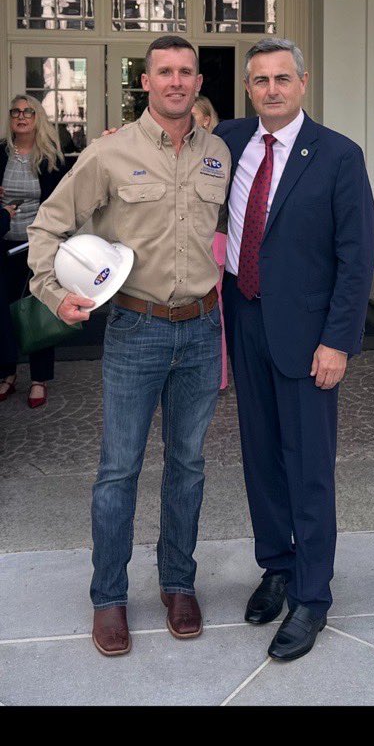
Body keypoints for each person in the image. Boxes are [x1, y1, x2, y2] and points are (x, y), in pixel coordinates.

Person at [27, 35, 231, 656]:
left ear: (199, 82)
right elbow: (48, 227)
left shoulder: (219, 153)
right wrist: (51, 291)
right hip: (135, 331)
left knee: (189, 465)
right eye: (164, 72)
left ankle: (178, 584)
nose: (176, 81)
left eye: (186, 72)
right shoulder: (108, 155)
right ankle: (108, 597)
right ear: (145, 82)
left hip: (202, 328)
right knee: (119, 470)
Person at [215, 37, 374, 663]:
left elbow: (355, 259)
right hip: (243, 319)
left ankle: (312, 595)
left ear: (303, 84)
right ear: (249, 88)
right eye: (260, 81)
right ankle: (276, 567)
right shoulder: (227, 144)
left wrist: (339, 340)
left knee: (307, 464)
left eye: (283, 78)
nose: (272, 89)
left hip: (309, 338)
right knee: (260, 457)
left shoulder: (337, 155)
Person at [0, 94, 71, 408]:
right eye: (15, 111)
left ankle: (39, 378)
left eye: (28, 111)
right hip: (3, 246)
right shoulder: (0, 152)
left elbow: (61, 204)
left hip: (38, 247)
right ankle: (8, 372)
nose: (21, 116)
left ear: (38, 117)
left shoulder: (50, 157)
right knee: (5, 312)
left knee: (39, 310)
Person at [192, 95, 228, 391]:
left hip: (215, 238)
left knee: (215, 310)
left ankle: (218, 376)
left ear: (206, 119)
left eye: (193, 115)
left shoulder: (218, 153)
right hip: (194, 240)